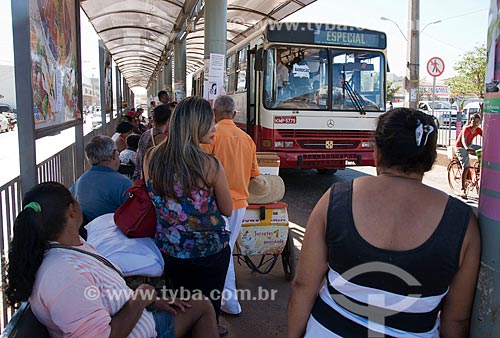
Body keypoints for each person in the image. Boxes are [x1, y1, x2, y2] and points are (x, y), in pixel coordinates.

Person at [288, 108, 481, 338]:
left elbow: (303, 287)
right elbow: (456, 319)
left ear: (377, 152)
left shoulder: (336, 198)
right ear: (429, 160)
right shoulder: (461, 221)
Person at [5, 181, 219, 338]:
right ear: (72, 210)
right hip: (142, 330)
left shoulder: (66, 249)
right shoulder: (63, 275)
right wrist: (140, 300)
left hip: (139, 318)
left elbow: (102, 295)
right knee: (202, 307)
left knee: (198, 302)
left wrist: (151, 301)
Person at [143, 96, 233, 337]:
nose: (214, 128)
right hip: (209, 252)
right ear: (195, 125)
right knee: (207, 310)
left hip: (170, 251)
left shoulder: (151, 158)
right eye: (209, 123)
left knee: (179, 307)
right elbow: (227, 209)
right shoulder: (210, 164)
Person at [200, 95, 260, 315]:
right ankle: (226, 301)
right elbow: (254, 174)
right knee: (226, 248)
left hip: (216, 205)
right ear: (234, 114)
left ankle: (229, 301)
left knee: (222, 251)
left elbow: (202, 173)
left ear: (214, 113)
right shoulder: (247, 140)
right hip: (240, 205)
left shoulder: (210, 138)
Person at [70, 135, 131, 222]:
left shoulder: (79, 182)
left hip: (87, 232)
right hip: (114, 232)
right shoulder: (124, 183)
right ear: (113, 155)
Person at [132, 104, 172, 181]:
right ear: (169, 120)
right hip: (153, 182)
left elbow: (138, 157)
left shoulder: (145, 134)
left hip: (141, 178)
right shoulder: (162, 139)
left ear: (153, 118)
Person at [455, 113, 482, 197]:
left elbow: (485, 137)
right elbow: (463, 140)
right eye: (474, 121)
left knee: (482, 150)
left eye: (478, 121)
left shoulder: (478, 130)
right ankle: (463, 189)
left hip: (469, 146)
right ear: (471, 121)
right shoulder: (466, 129)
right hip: (461, 147)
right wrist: (466, 148)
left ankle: (476, 174)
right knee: (466, 167)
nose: (476, 123)